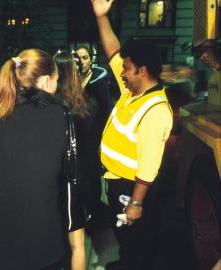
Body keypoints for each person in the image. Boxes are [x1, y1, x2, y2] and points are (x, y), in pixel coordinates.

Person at [0, 48, 68, 270]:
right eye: (56, 79)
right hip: (48, 240)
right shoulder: (63, 118)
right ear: (46, 80)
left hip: (6, 244)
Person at [91, 1, 173, 270]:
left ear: (143, 70)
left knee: (137, 239)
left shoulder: (156, 110)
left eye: (126, 68)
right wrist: (101, 16)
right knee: (126, 236)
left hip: (133, 189)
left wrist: (136, 203)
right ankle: (126, 261)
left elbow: (149, 166)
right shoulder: (132, 91)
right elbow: (113, 50)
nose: (121, 72)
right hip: (118, 183)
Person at [53, 50, 88, 270]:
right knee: (78, 243)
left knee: (58, 238)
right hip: (78, 176)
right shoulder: (84, 103)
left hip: (59, 178)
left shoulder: (53, 107)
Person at [74, 44, 113, 225]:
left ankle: (95, 210)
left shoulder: (99, 81)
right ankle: (85, 207)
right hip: (77, 136)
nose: (82, 62)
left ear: (92, 59)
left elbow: (106, 110)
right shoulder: (72, 80)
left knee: (91, 174)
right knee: (81, 175)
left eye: (85, 57)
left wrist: (102, 139)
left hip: (94, 136)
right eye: (78, 58)